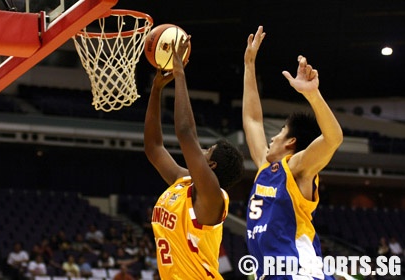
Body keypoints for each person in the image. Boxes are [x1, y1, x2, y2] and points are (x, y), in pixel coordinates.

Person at [243, 26, 343, 279]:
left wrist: (313, 95)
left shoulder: (298, 168)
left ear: (291, 142)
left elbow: (333, 139)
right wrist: (249, 64)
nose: (273, 136)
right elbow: (253, 120)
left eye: (280, 132)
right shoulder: (265, 169)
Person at [144, 35, 244, 279]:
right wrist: (156, 90)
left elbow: (186, 133)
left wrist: (180, 74)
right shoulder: (183, 181)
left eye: (207, 150)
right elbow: (154, 148)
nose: (200, 150)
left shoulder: (213, 197)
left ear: (211, 165)